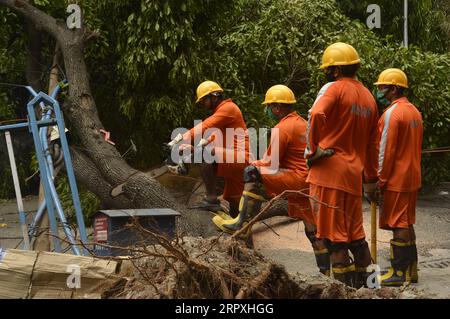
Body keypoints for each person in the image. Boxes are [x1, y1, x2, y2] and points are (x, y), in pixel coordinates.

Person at [213, 85, 330, 276]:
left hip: (295, 179)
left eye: (269, 106)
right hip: (308, 182)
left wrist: (252, 162)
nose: (267, 110)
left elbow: (270, 162)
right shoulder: (302, 123)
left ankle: (242, 224)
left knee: (252, 171)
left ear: (276, 107)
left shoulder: (282, 127)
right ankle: (326, 274)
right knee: (313, 231)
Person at [305, 42, 379, 287]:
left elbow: (316, 114)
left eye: (327, 69)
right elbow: (372, 145)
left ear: (335, 70)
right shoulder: (369, 97)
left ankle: (343, 292)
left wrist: (311, 150)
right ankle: (370, 289)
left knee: (334, 240)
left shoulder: (333, 89)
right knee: (357, 238)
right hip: (352, 177)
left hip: (329, 176)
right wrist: (370, 180)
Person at [370, 68, 422, 286]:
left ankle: (398, 273)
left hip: (397, 179)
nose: (379, 91)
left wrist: (379, 181)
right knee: (407, 222)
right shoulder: (414, 112)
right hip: (411, 176)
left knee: (399, 223)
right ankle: (411, 269)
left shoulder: (393, 113)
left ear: (393, 89)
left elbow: (385, 151)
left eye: (382, 87)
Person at [168, 81, 250, 217]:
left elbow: (205, 125)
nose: (202, 104)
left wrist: (178, 139)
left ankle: (211, 199)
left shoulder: (228, 108)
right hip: (232, 160)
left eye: (203, 100)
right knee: (235, 208)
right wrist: (192, 149)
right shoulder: (221, 115)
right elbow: (209, 141)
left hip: (241, 158)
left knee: (205, 154)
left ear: (215, 96)